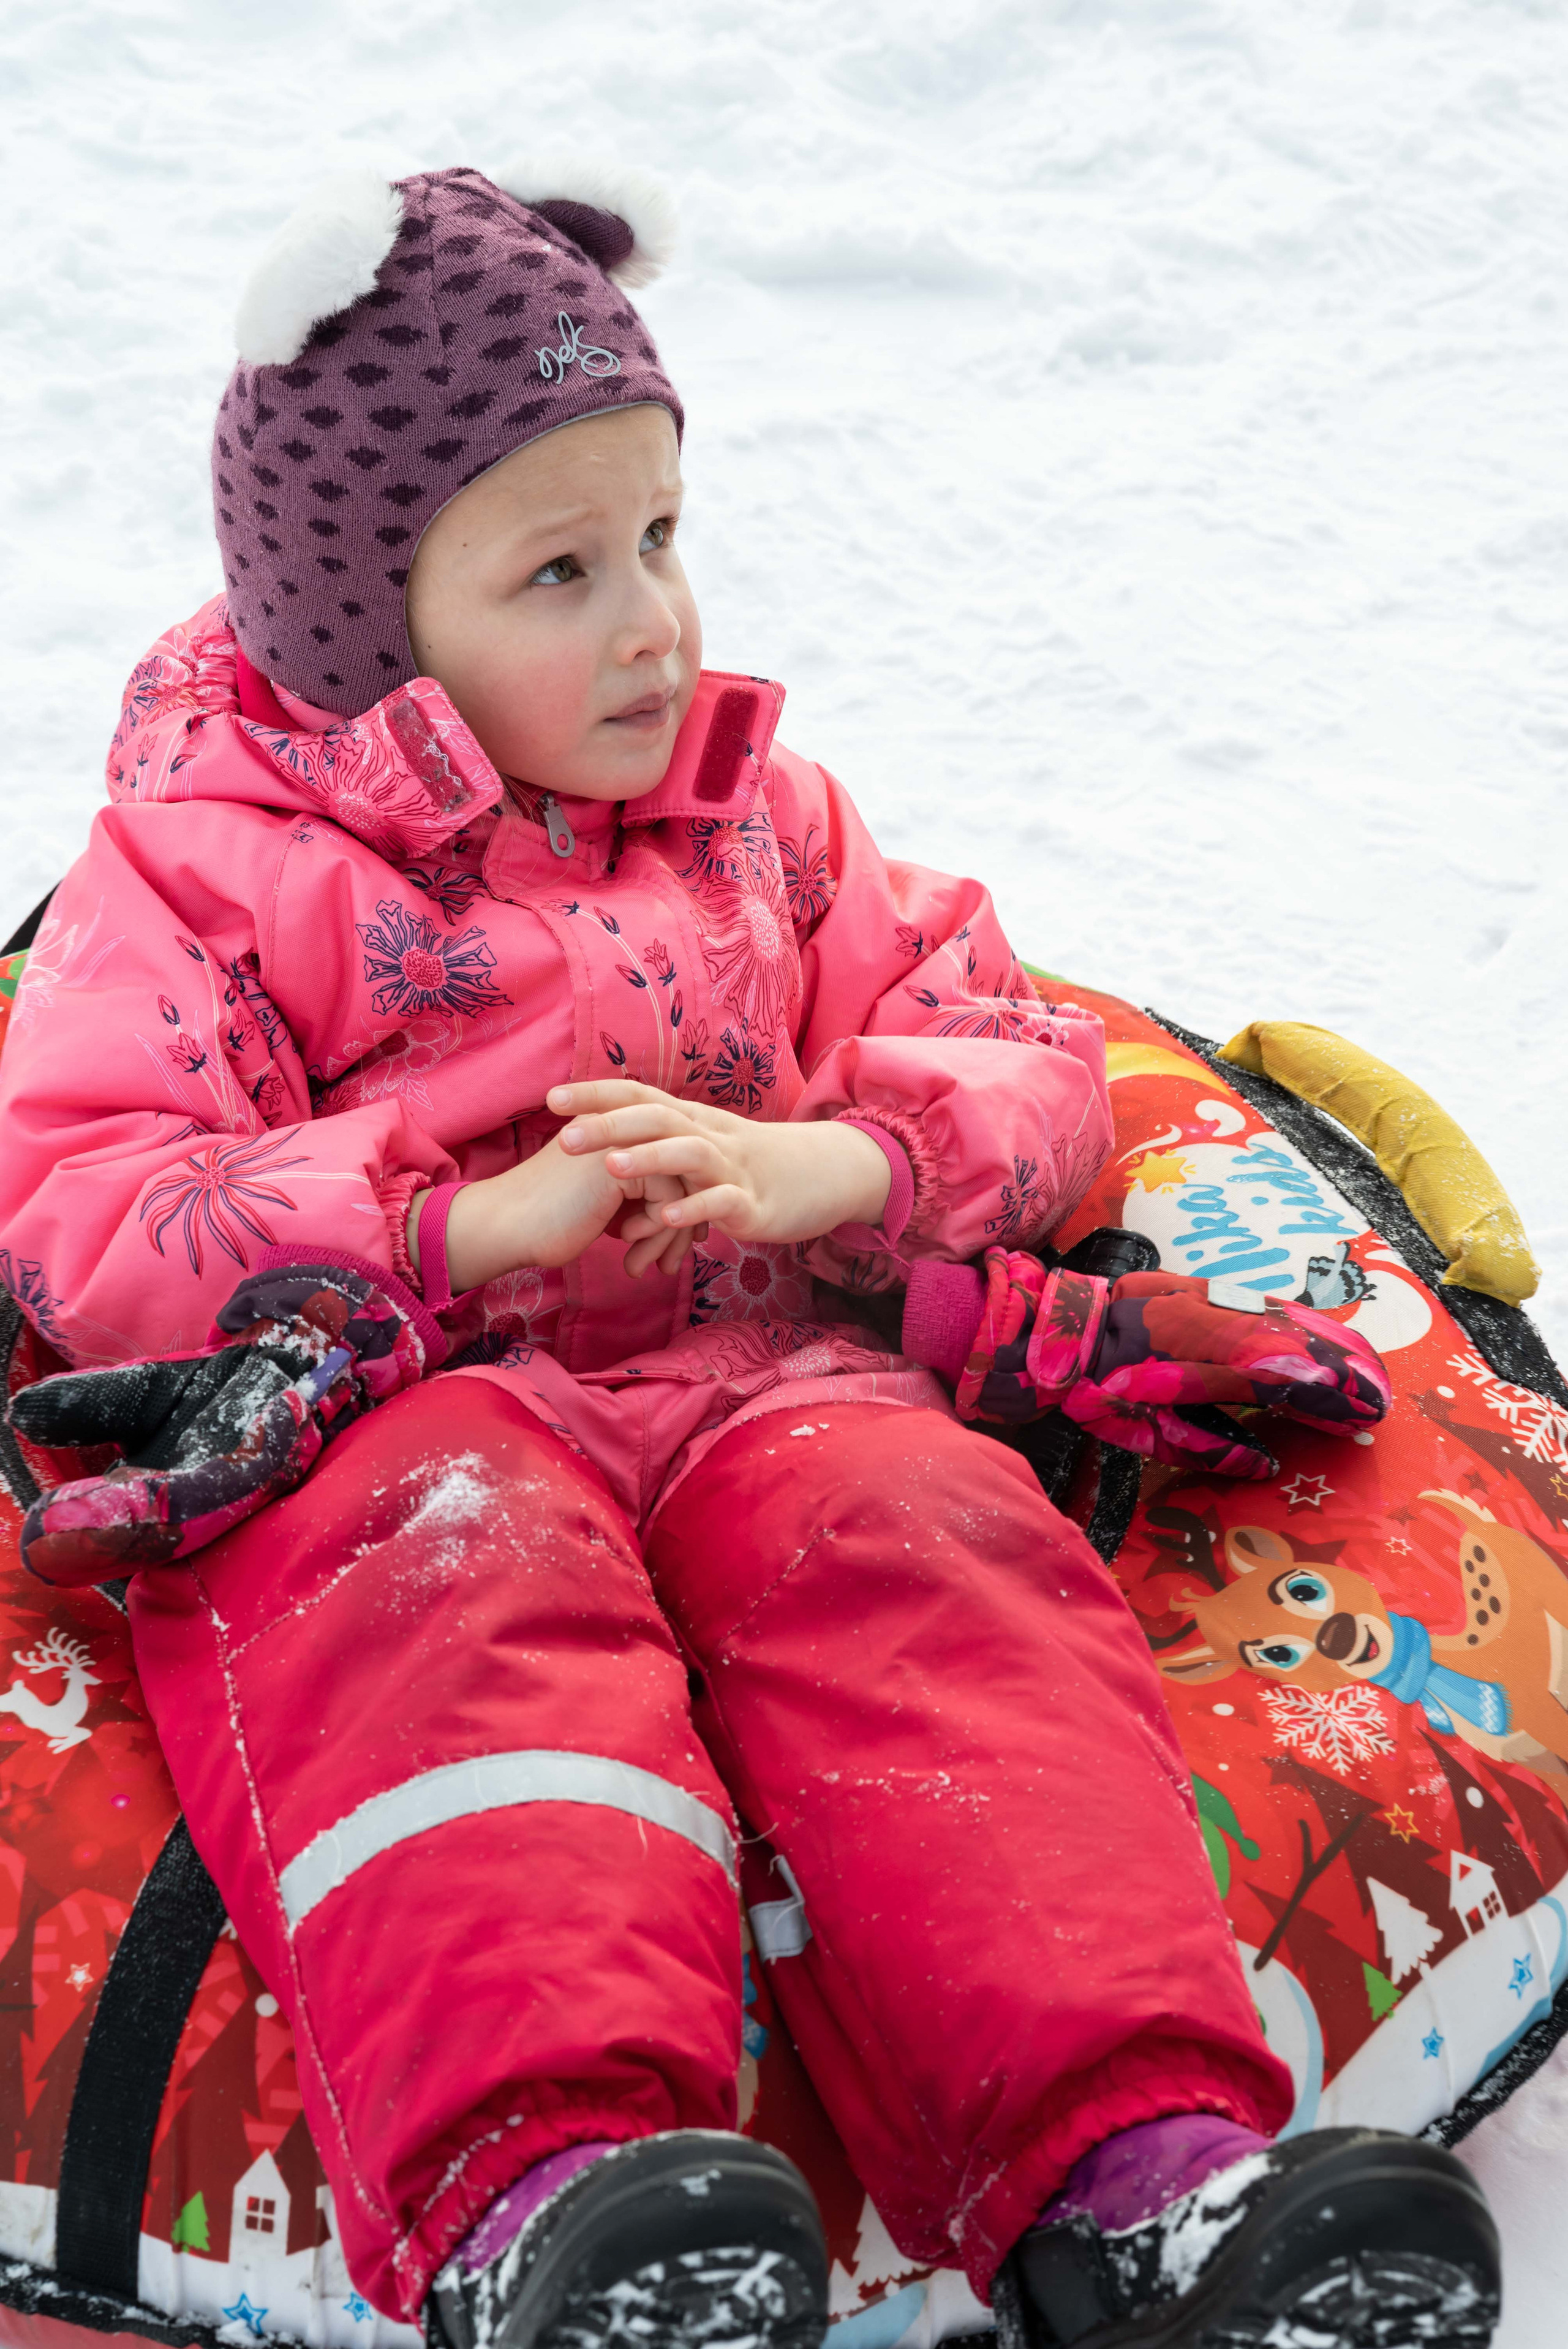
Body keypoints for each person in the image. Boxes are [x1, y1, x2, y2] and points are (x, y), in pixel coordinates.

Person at [0, 164, 1498, 2349]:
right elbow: (90, 1207)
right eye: (561, 570)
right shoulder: (206, 874)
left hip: (762, 1380)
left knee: (930, 1557)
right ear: (367, 620)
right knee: (452, 1602)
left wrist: (839, 1167)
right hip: (407, 1409)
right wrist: (441, 1226)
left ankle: (1139, 2183)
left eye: (662, 535)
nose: (654, 623)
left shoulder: (759, 821)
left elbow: (1022, 1051)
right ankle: (560, 2203)